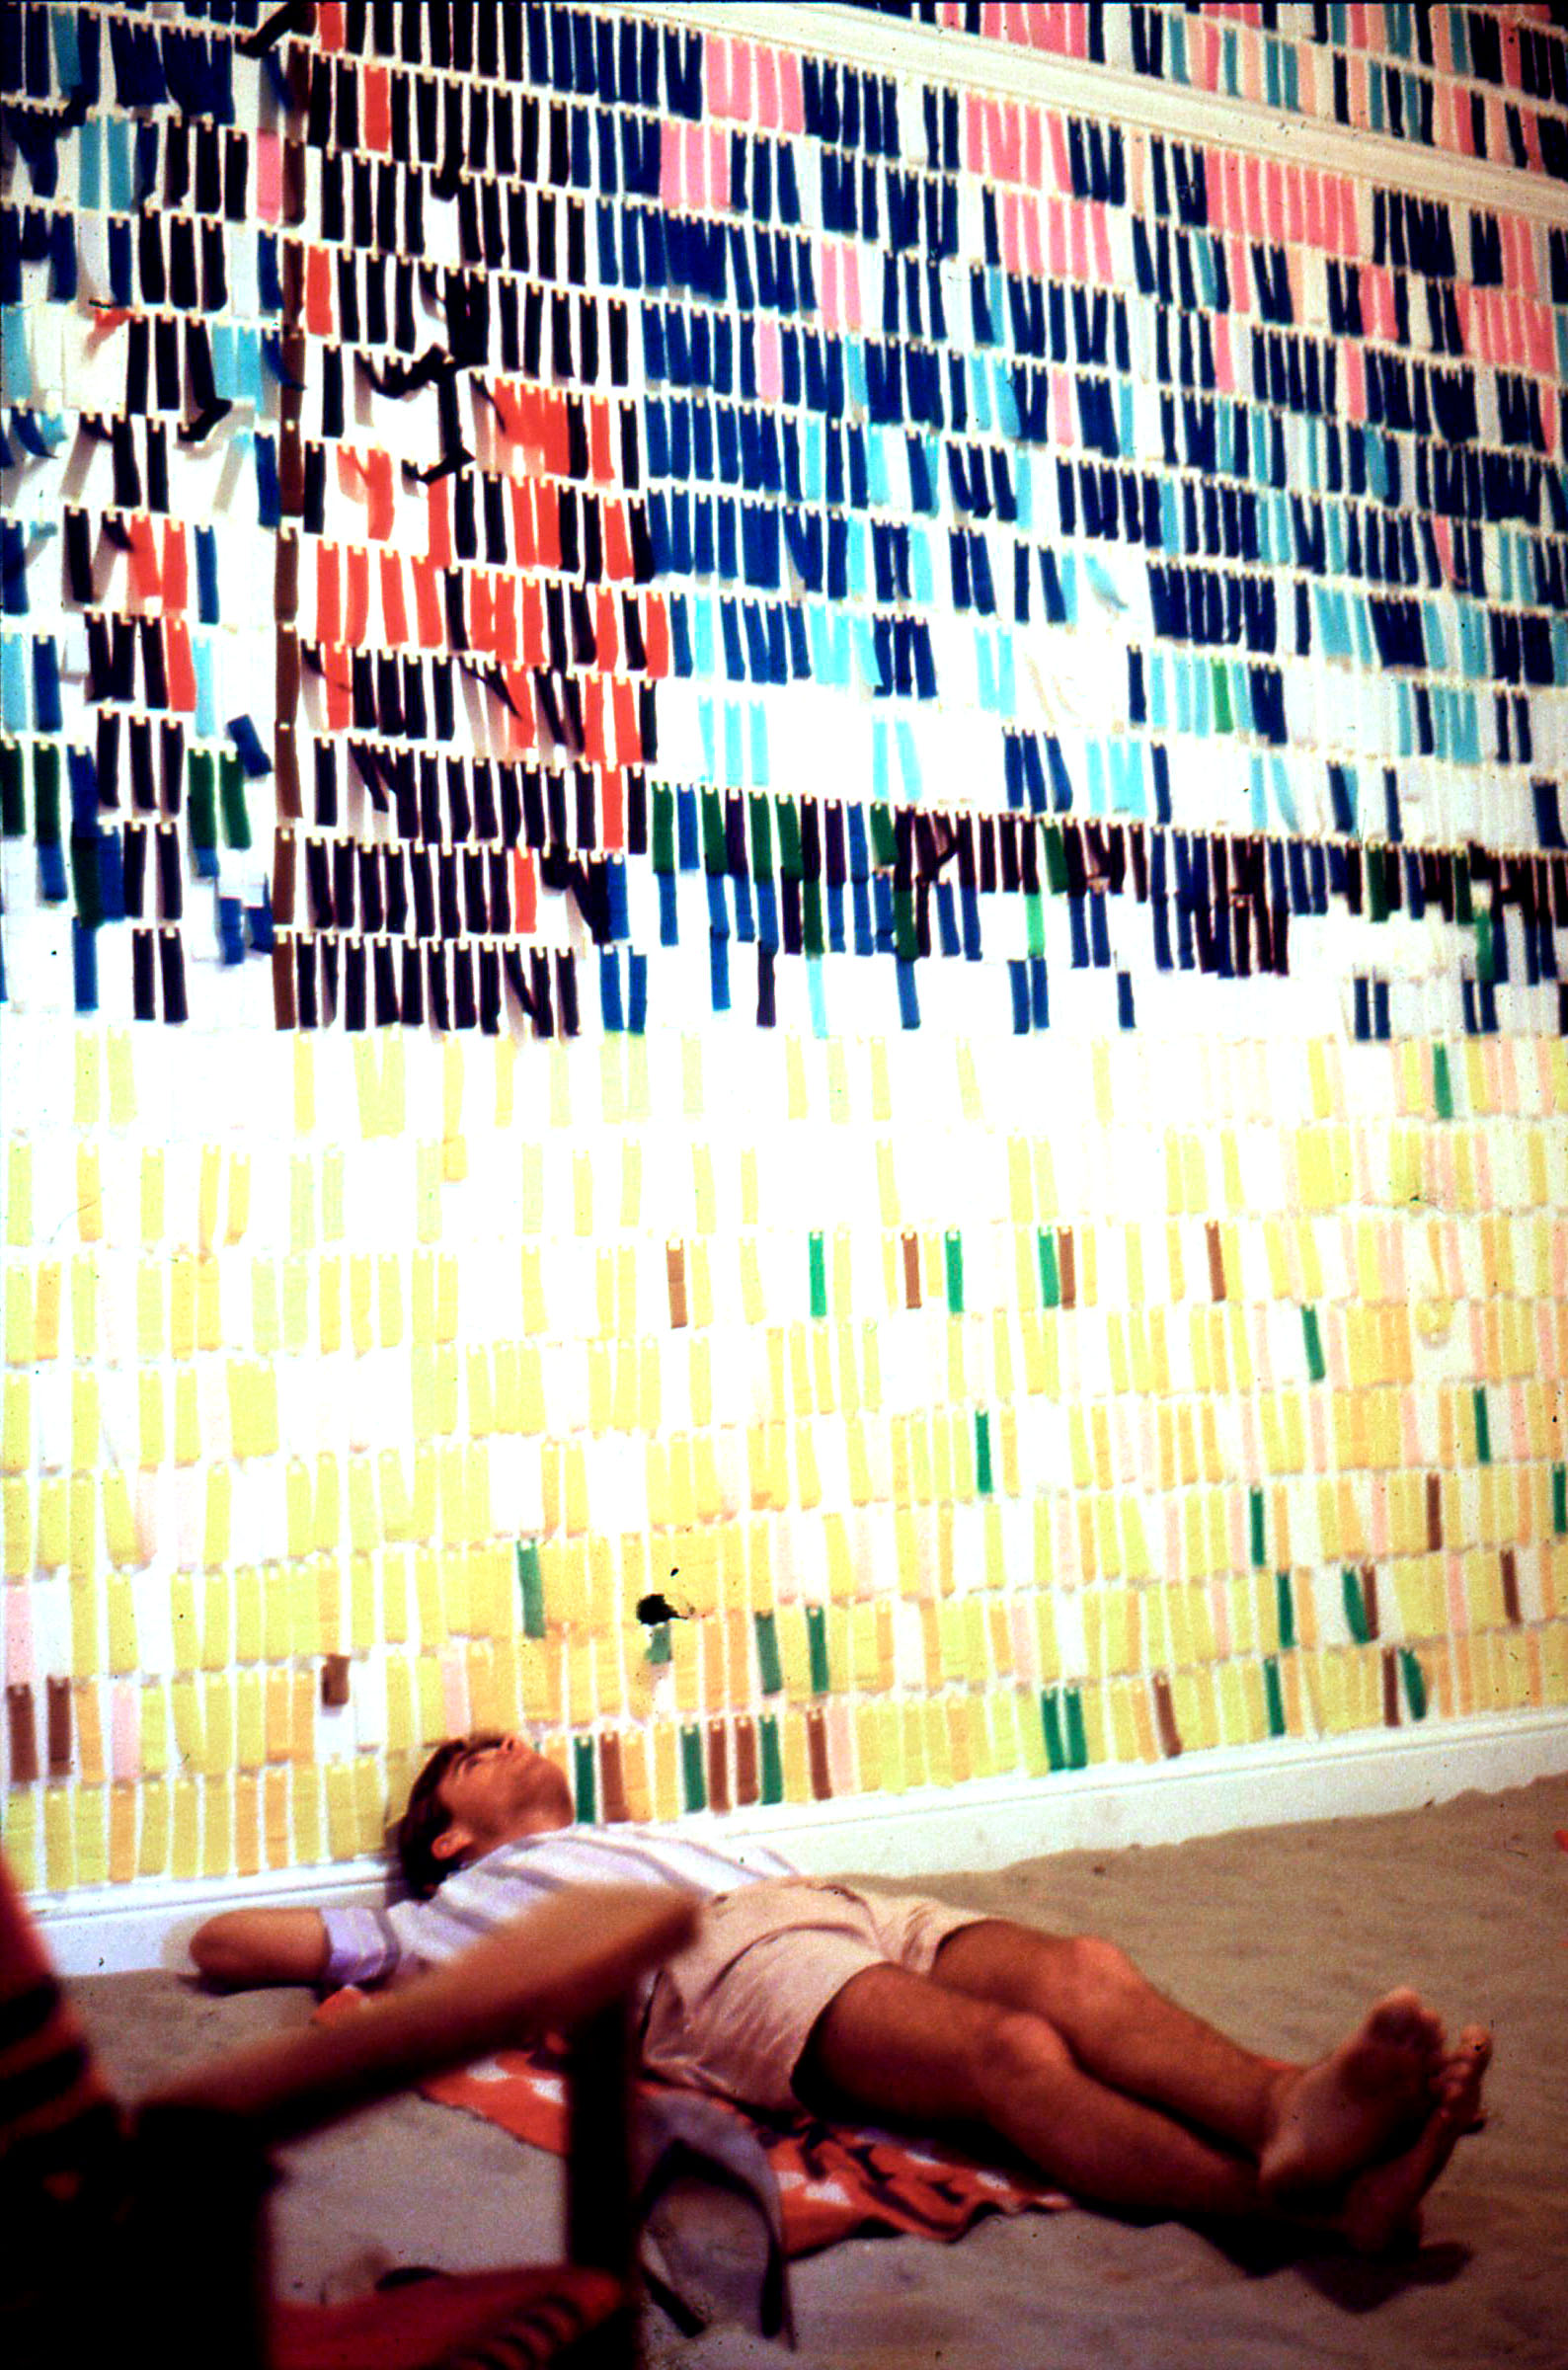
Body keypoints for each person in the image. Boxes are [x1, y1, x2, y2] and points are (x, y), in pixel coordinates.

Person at [192, 1729, 1491, 2256]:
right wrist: (376, 1935)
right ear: (449, 1836)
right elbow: (228, 1944)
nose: (509, 1740)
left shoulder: (643, 1826)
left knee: (1085, 1968)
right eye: (473, 1755)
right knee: (1012, 2053)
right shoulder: (443, 1917)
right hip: (716, 1966)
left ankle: (1287, 2109)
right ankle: (1309, 2212)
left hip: (839, 1901)